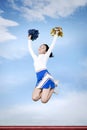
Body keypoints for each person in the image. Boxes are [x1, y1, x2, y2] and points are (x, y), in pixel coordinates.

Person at [28, 32, 59, 103]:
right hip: (39, 78)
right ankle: (52, 85)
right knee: (34, 98)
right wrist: (29, 39)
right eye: (40, 47)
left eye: (43, 47)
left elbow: (52, 45)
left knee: (44, 100)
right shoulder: (35, 57)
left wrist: (56, 34)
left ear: (46, 51)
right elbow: (30, 49)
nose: (40, 48)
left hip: (45, 77)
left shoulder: (45, 56)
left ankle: (52, 88)